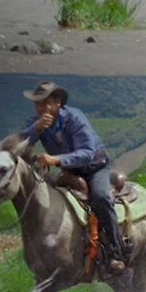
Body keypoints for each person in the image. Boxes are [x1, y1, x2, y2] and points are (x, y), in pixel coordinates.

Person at [18, 81, 124, 274]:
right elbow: (20, 144)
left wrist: (54, 159)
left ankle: (115, 252)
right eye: (36, 104)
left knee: (101, 198)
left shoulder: (75, 118)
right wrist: (36, 129)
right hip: (69, 171)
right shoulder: (37, 121)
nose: (40, 108)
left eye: (44, 103)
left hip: (94, 167)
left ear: (57, 102)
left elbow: (87, 152)